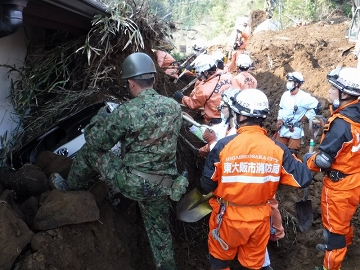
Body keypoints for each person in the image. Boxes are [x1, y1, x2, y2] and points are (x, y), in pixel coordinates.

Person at [55, 52, 188, 270]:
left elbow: (98, 143)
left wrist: (99, 119)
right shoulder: (174, 107)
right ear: (153, 79)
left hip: (133, 183)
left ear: (130, 82)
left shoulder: (127, 111)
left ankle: (72, 188)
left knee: (89, 151)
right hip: (164, 186)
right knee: (160, 235)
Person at [200, 88, 312, 270]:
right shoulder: (278, 149)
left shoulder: (223, 146)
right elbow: (303, 179)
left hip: (228, 218)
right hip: (259, 220)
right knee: (253, 265)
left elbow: (206, 184)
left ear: (239, 116)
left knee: (219, 261)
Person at [304, 67, 360, 270]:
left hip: (340, 185)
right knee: (344, 220)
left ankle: (330, 265)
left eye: (333, 88)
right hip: (355, 177)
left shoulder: (342, 124)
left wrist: (309, 159)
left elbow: (324, 161)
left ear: (344, 94)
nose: (329, 91)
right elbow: (346, 140)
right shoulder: (355, 115)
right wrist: (327, 124)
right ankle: (346, 245)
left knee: (334, 230)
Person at [173, 54, 234, 126]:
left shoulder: (205, 89)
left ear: (206, 72)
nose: (199, 77)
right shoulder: (229, 76)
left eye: (200, 74)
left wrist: (182, 97)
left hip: (215, 122)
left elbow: (193, 104)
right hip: (232, 118)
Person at [274, 71, 322, 155]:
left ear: (297, 84)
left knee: (292, 154)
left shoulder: (304, 97)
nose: (288, 83)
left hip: (295, 130)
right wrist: (280, 119)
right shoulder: (285, 95)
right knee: (278, 151)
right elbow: (281, 109)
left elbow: (317, 106)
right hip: (283, 128)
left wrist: (306, 116)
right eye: (288, 81)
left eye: (291, 81)